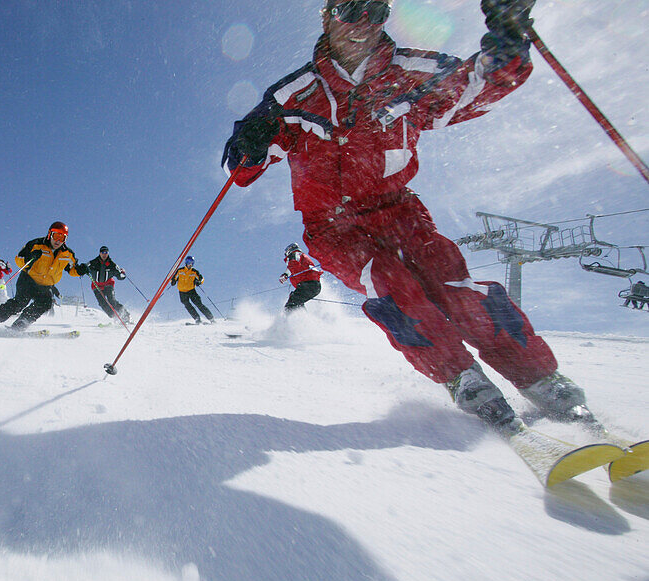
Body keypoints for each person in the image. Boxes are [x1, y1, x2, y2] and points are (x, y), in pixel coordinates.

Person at [221, 0, 596, 433]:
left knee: (453, 285)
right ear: (327, 16)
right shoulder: (292, 96)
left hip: (399, 210)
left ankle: (540, 379)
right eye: (351, 10)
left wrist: (508, 38)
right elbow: (243, 171)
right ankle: (461, 377)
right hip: (332, 225)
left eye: (377, 11)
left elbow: (481, 83)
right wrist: (248, 143)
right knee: (391, 284)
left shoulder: (410, 73)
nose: (363, 24)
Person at [0, 221, 87, 331]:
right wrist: (29, 258)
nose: (58, 240)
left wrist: (80, 270)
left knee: (46, 303)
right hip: (28, 280)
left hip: (45, 285)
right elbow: (19, 258)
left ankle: (20, 325)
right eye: (56, 235)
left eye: (62, 237)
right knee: (20, 302)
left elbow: (72, 269)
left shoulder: (68, 254)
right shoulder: (36, 244)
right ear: (50, 234)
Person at [88, 246, 132, 322]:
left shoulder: (112, 265)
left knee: (111, 300)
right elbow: (84, 267)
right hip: (96, 286)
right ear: (100, 253)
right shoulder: (93, 263)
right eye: (102, 252)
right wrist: (80, 269)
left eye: (106, 252)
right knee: (102, 304)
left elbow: (119, 276)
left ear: (108, 253)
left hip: (108, 284)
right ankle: (115, 317)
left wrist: (122, 274)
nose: (104, 254)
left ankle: (126, 316)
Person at [170, 255, 214, 324]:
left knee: (199, 304)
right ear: (185, 262)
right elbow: (173, 277)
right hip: (182, 292)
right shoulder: (180, 270)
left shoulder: (194, 271)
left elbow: (201, 278)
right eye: (188, 262)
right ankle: (197, 319)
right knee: (187, 305)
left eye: (191, 262)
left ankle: (211, 318)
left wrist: (199, 282)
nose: (190, 264)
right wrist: (173, 281)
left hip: (191, 291)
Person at [280, 242, 323, 311]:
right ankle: (303, 316)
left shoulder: (295, 254)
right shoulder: (301, 257)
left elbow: (293, 263)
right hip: (313, 285)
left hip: (308, 284)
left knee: (291, 303)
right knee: (296, 300)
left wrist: (285, 275)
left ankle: (288, 318)